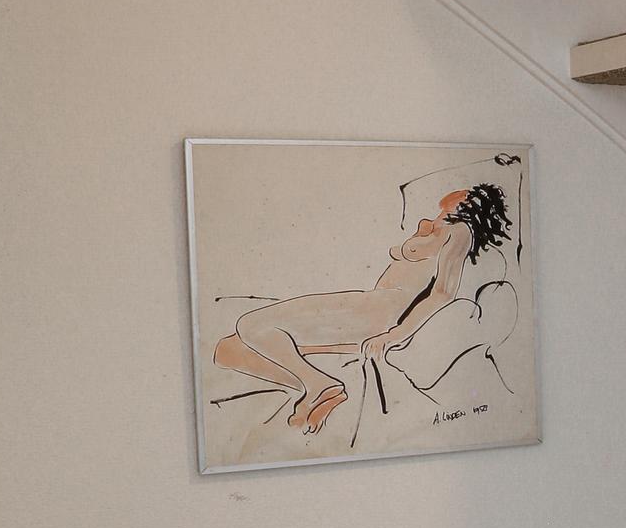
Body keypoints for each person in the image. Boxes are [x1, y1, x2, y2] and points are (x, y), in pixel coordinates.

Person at [213, 182, 512, 437]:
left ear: (471, 203)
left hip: (380, 312)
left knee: (251, 324)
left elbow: (443, 293)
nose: (456, 189)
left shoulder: (460, 231)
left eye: (465, 191)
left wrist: (395, 335)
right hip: (369, 308)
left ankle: (318, 384)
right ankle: (316, 385)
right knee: (227, 351)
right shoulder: (438, 225)